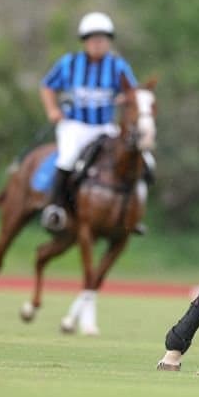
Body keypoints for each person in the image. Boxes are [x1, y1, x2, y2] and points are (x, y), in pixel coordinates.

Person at [39, 12, 145, 232]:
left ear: (109, 42)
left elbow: (133, 93)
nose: (98, 43)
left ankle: (132, 213)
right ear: (85, 41)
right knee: (67, 158)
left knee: (142, 160)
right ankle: (55, 208)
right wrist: (52, 110)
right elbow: (48, 85)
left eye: (103, 39)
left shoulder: (118, 66)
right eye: (93, 39)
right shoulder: (69, 63)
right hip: (75, 126)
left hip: (104, 127)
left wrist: (125, 98)